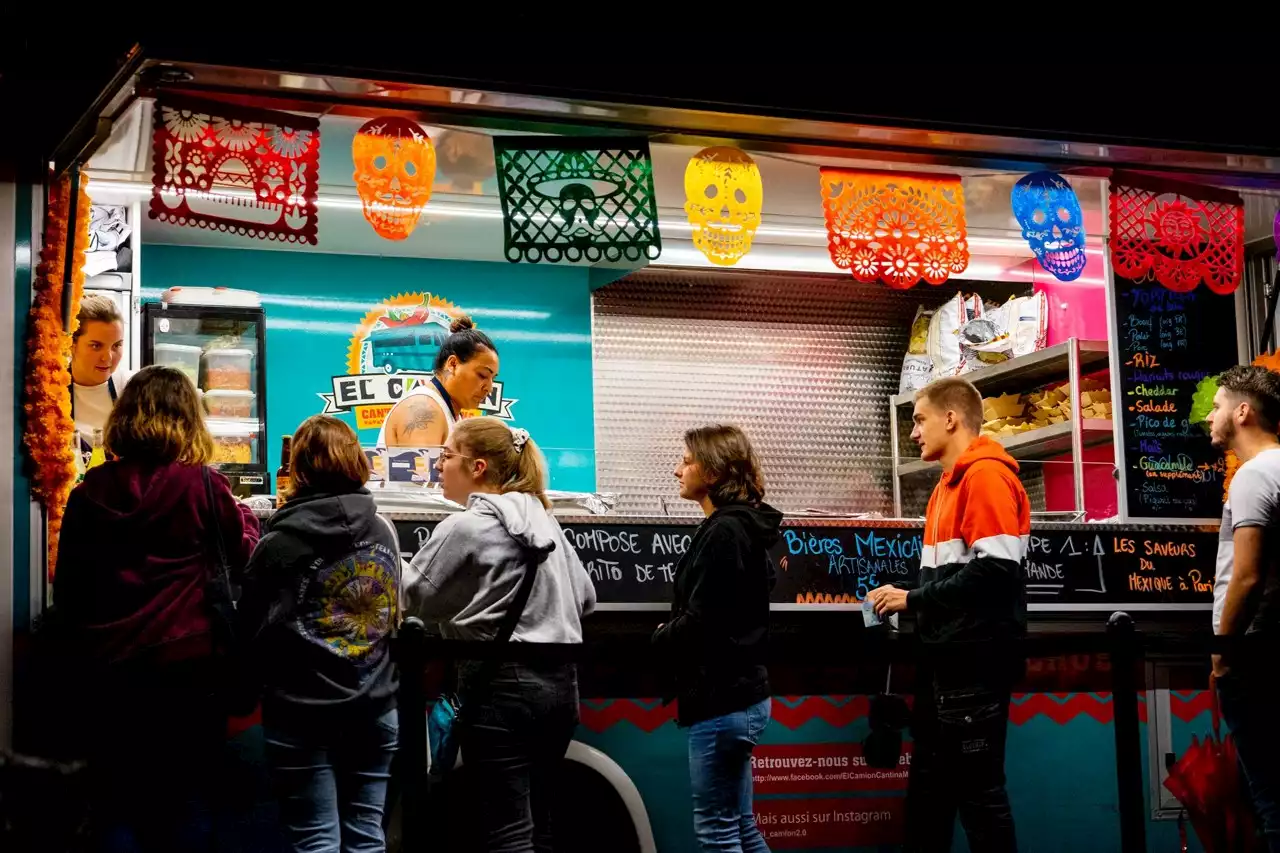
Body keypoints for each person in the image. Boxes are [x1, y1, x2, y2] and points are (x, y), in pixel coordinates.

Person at [54, 364, 260, 853]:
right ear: (190, 418)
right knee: (185, 799)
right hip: (188, 666)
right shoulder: (204, 487)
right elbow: (242, 556)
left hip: (107, 668)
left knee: (115, 800)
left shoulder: (88, 494)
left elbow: (69, 588)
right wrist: (248, 521)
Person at [404, 418, 596, 853]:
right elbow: (587, 599)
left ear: (477, 467)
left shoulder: (466, 526)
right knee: (542, 824)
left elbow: (410, 595)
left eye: (447, 456)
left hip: (499, 687)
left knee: (506, 829)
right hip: (562, 688)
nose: (439, 466)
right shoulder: (547, 524)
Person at [868, 377, 1028, 853]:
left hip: (974, 669)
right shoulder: (946, 486)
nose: (914, 433)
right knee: (930, 802)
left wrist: (913, 600)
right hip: (946, 668)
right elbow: (952, 578)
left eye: (919, 420)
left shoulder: (985, 477)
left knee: (980, 802)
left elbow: (997, 572)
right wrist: (910, 592)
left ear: (951, 419)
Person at [238, 415, 402, 853]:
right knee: (368, 835)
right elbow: (394, 613)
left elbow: (249, 625)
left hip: (301, 711)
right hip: (375, 704)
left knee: (316, 839)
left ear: (301, 468)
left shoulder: (279, 540)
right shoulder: (383, 527)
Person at [654, 424, 780, 853]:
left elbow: (706, 619)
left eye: (686, 461)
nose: (677, 471)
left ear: (712, 472)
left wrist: (662, 637)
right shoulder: (740, 527)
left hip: (723, 700)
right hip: (742, 697)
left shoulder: (724, 532)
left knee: (717, 831)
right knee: (742, 827)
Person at [1206, 364, 1280, 852]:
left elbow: (1248, 575)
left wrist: (1223, 654)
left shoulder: (1253, 475)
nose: (1209, 416)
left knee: (1270, 796)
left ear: (1243, 411)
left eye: (1217, 406)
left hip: (1257, 655)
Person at [376, 315, 498, 448]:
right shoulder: (424, 408)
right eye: (482, 375)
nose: (489, 388)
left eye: (493, 379)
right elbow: (420, 469)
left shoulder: (448, 411)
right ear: (453, 364)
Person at [70, 294, 131, 453]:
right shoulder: (51, 391)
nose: (108, 357)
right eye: (96, 346)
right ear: (72, 343)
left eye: (116, 346)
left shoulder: (131, 389)